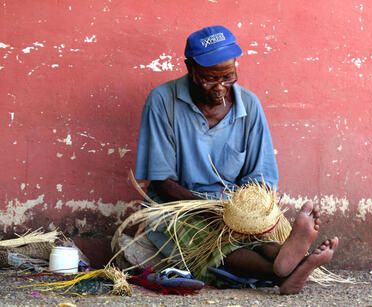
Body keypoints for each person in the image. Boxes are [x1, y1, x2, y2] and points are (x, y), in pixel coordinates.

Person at [134, 25, 338, 294]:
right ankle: (288, 269)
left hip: (235, 203)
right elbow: (162, 181)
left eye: (228, 76)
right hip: (179, 205)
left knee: (253, 233)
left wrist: (243, 213)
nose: (220, 88)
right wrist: (213, 212)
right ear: (190, 68)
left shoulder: (250, 105)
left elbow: (260, 178)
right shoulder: (162, 101)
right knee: (209, 240)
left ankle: (287, 257)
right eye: (209, 78)